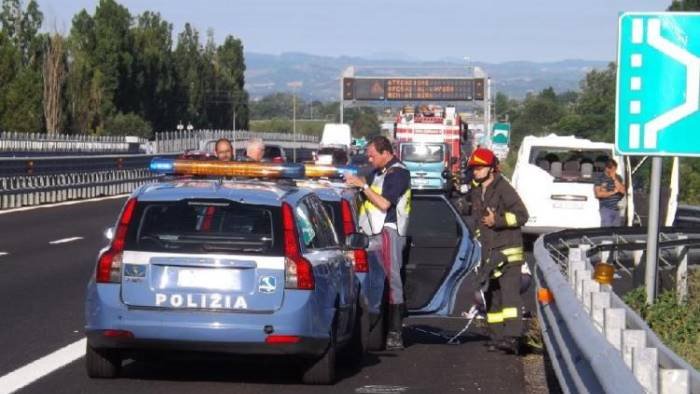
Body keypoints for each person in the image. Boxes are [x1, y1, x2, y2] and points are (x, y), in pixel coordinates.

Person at [345, 136, 411, 350]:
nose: (370, 160)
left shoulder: (398, 173)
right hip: (371, 232)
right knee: (376, 280)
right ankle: (375, 325)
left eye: (373, 156)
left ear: (385, 153)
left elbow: (383, 203)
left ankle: (395, 332)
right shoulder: (377, 172)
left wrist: (363, 186)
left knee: (392, 281)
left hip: (389, 231)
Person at [464, 147, 529, 355]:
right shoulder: (478, 190)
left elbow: (522, 216)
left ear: (491, 169)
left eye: (480, 168)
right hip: (490, 253)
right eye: (473, 168)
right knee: (492, 297)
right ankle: (496, 337)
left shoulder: (503, 188)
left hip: (508, 252)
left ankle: (513, 338)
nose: (476, 171)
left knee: (510, 297)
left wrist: (498, 221)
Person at [595, 159, 625, 227]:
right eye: (613, 170)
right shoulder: (600, 178)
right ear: (607, 168)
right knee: (606, 230)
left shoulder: (618, 177)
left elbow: (622, 190)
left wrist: (614, 178)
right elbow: (599, 194)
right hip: (606, 209)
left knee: (616, 232)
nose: (614, 171)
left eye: (615, 169)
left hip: (616, 210)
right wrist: (613, 192)